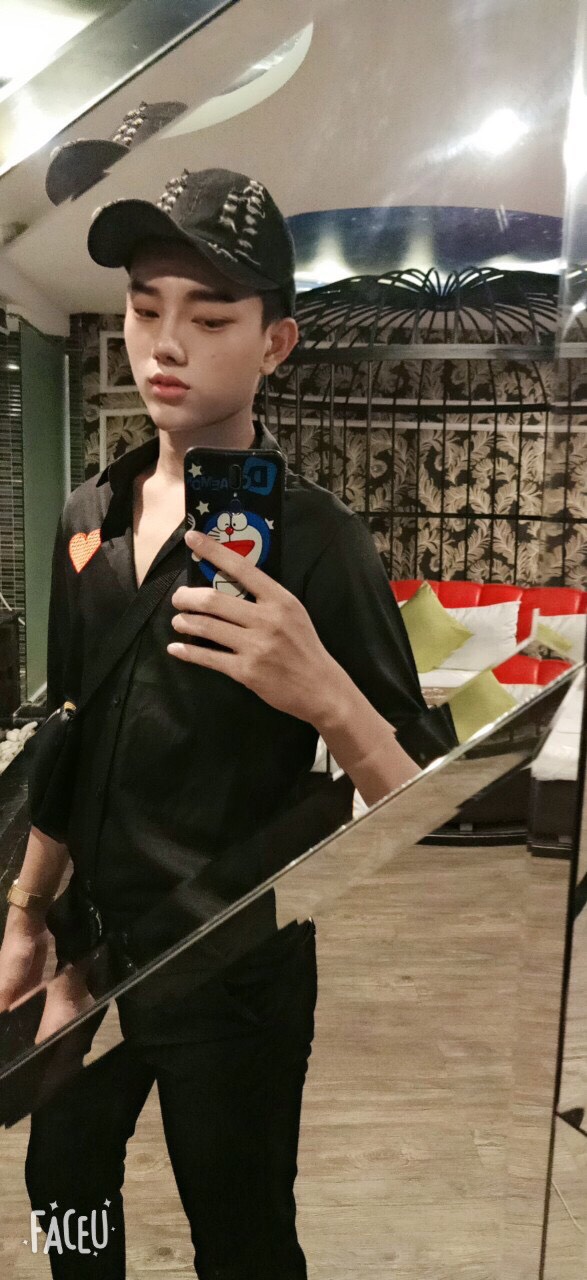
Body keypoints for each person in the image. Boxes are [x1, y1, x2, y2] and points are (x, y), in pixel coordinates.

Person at [0, 168, 456, 1278]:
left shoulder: (317, 540)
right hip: (90, 955)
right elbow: (68, 733)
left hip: (233, 964)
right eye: (144, 307)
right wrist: (26, 911)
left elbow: (424, 806)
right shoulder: (88, 517)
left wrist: (325, 691)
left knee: (242, 1235)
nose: (165, 344)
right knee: (63, 1190)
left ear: (273, 344)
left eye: (209, 319)